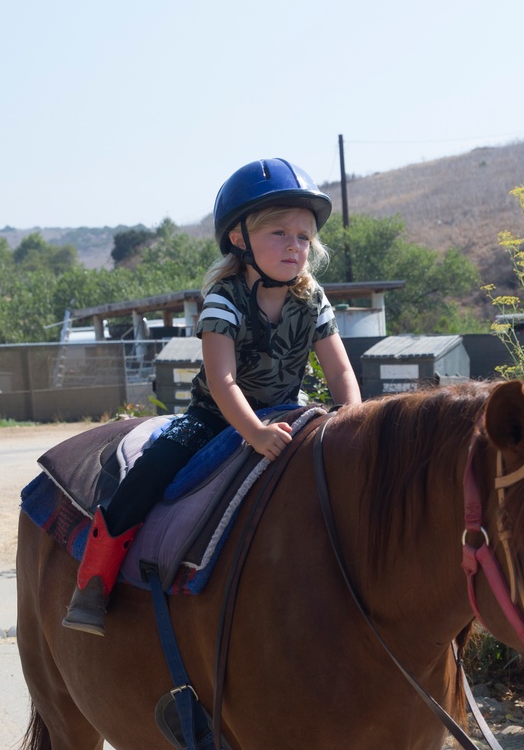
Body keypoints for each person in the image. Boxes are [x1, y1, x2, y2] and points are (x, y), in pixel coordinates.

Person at [64, 157, 361, 636]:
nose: (295, 246)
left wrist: (353, 420)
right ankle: (92, 585)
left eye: (304, 237)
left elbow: (341, 368)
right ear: (240, 239)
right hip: (216, 417)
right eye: (279, 234)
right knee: (149, 472)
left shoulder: (313, 298)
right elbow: (223, 383)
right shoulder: (223, 298)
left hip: (289, 408)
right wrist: (256, 433)